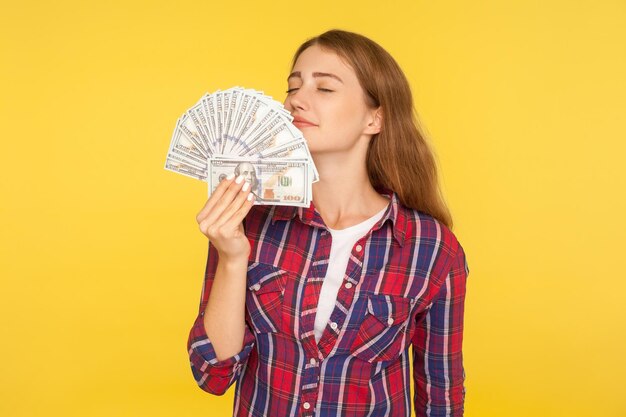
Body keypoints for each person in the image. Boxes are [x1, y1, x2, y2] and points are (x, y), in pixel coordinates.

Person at [187, 29, 469, 417]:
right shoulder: (249, 219)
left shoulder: (431, 248)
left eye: (324, 89)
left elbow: (442, 397)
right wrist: (233, 258)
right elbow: (212, 375)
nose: (295, 100)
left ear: (375, 118)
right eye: (293, 86)